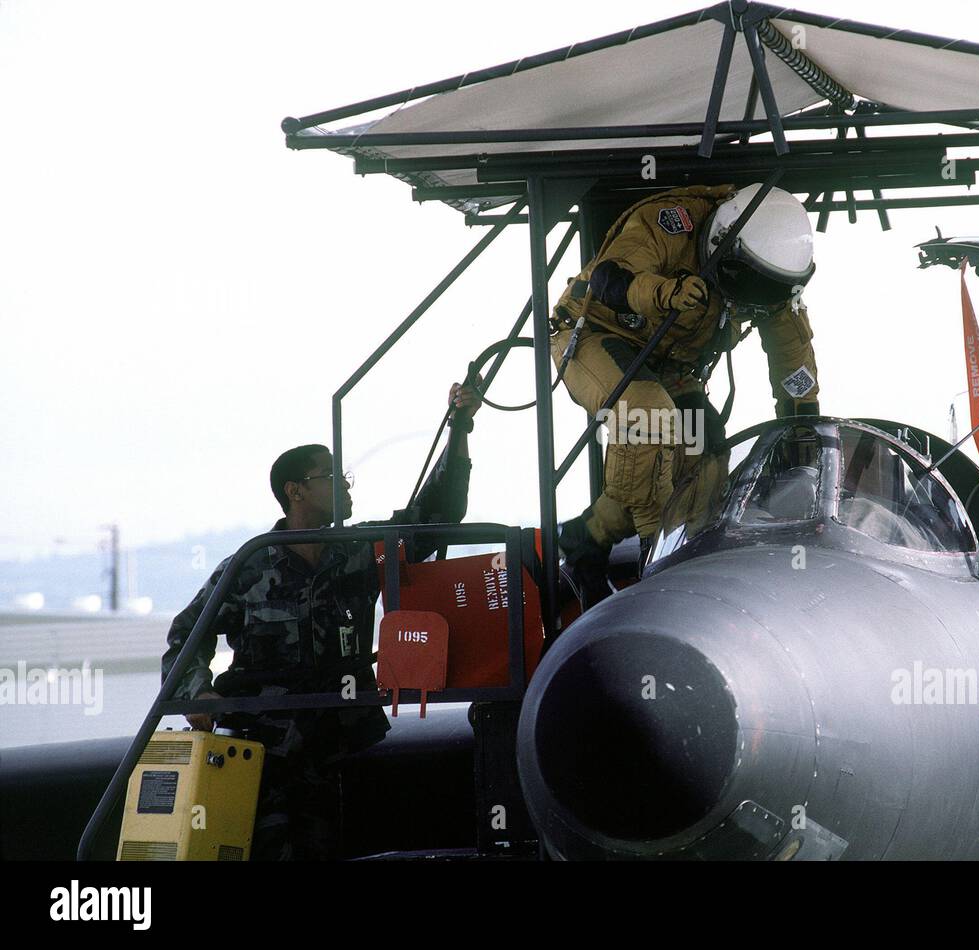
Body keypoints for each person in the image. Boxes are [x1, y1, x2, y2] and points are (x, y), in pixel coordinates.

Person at [160, 379, 481, 860]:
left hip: (334, 744)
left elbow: (437, 512)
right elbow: (186, 635)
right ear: (296, 492)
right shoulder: (249, 565)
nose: (344, 485)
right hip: (261, 745)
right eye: (330, 476)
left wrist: (459, 425)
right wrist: (197, 693)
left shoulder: (358, 550)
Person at [550, 183, 821, 604]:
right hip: (595, 337)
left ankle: (588, 539)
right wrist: (664, 293)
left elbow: (793, 356)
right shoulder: (670, 224)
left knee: (705, 449)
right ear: (722, 248)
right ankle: (653, 558)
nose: (753, 301)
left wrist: (802, 422)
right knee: (649, 417)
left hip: (671, 365)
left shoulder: (768, 284)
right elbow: (610, 278)